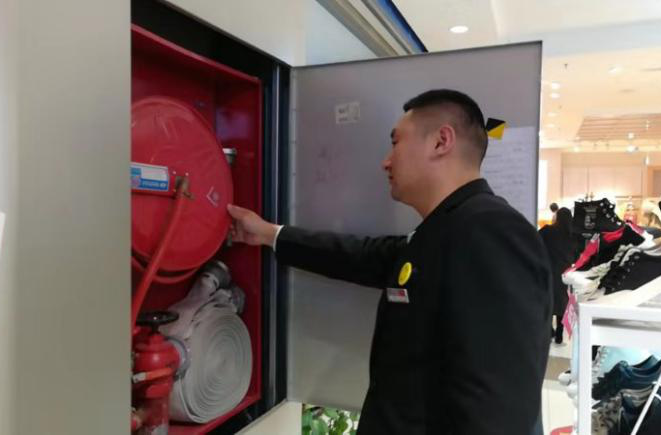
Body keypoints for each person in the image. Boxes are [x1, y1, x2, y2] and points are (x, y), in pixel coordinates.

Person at [227, 89, 552, 434]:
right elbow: (360, 256)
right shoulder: (446, 230)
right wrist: (268, 234)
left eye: (396, 142)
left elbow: (498, 407)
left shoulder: (491, 231)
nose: (386, 161)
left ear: (441, 141)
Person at [538, 207, 576, 345]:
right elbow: (576, 256)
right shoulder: (572, 235)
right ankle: (559, 334)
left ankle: (550, 331)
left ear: (557, 217)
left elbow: (536, 241)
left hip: (548, 270)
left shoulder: (547, 231)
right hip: (564, 274)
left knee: (548, 301)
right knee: (562, 303)